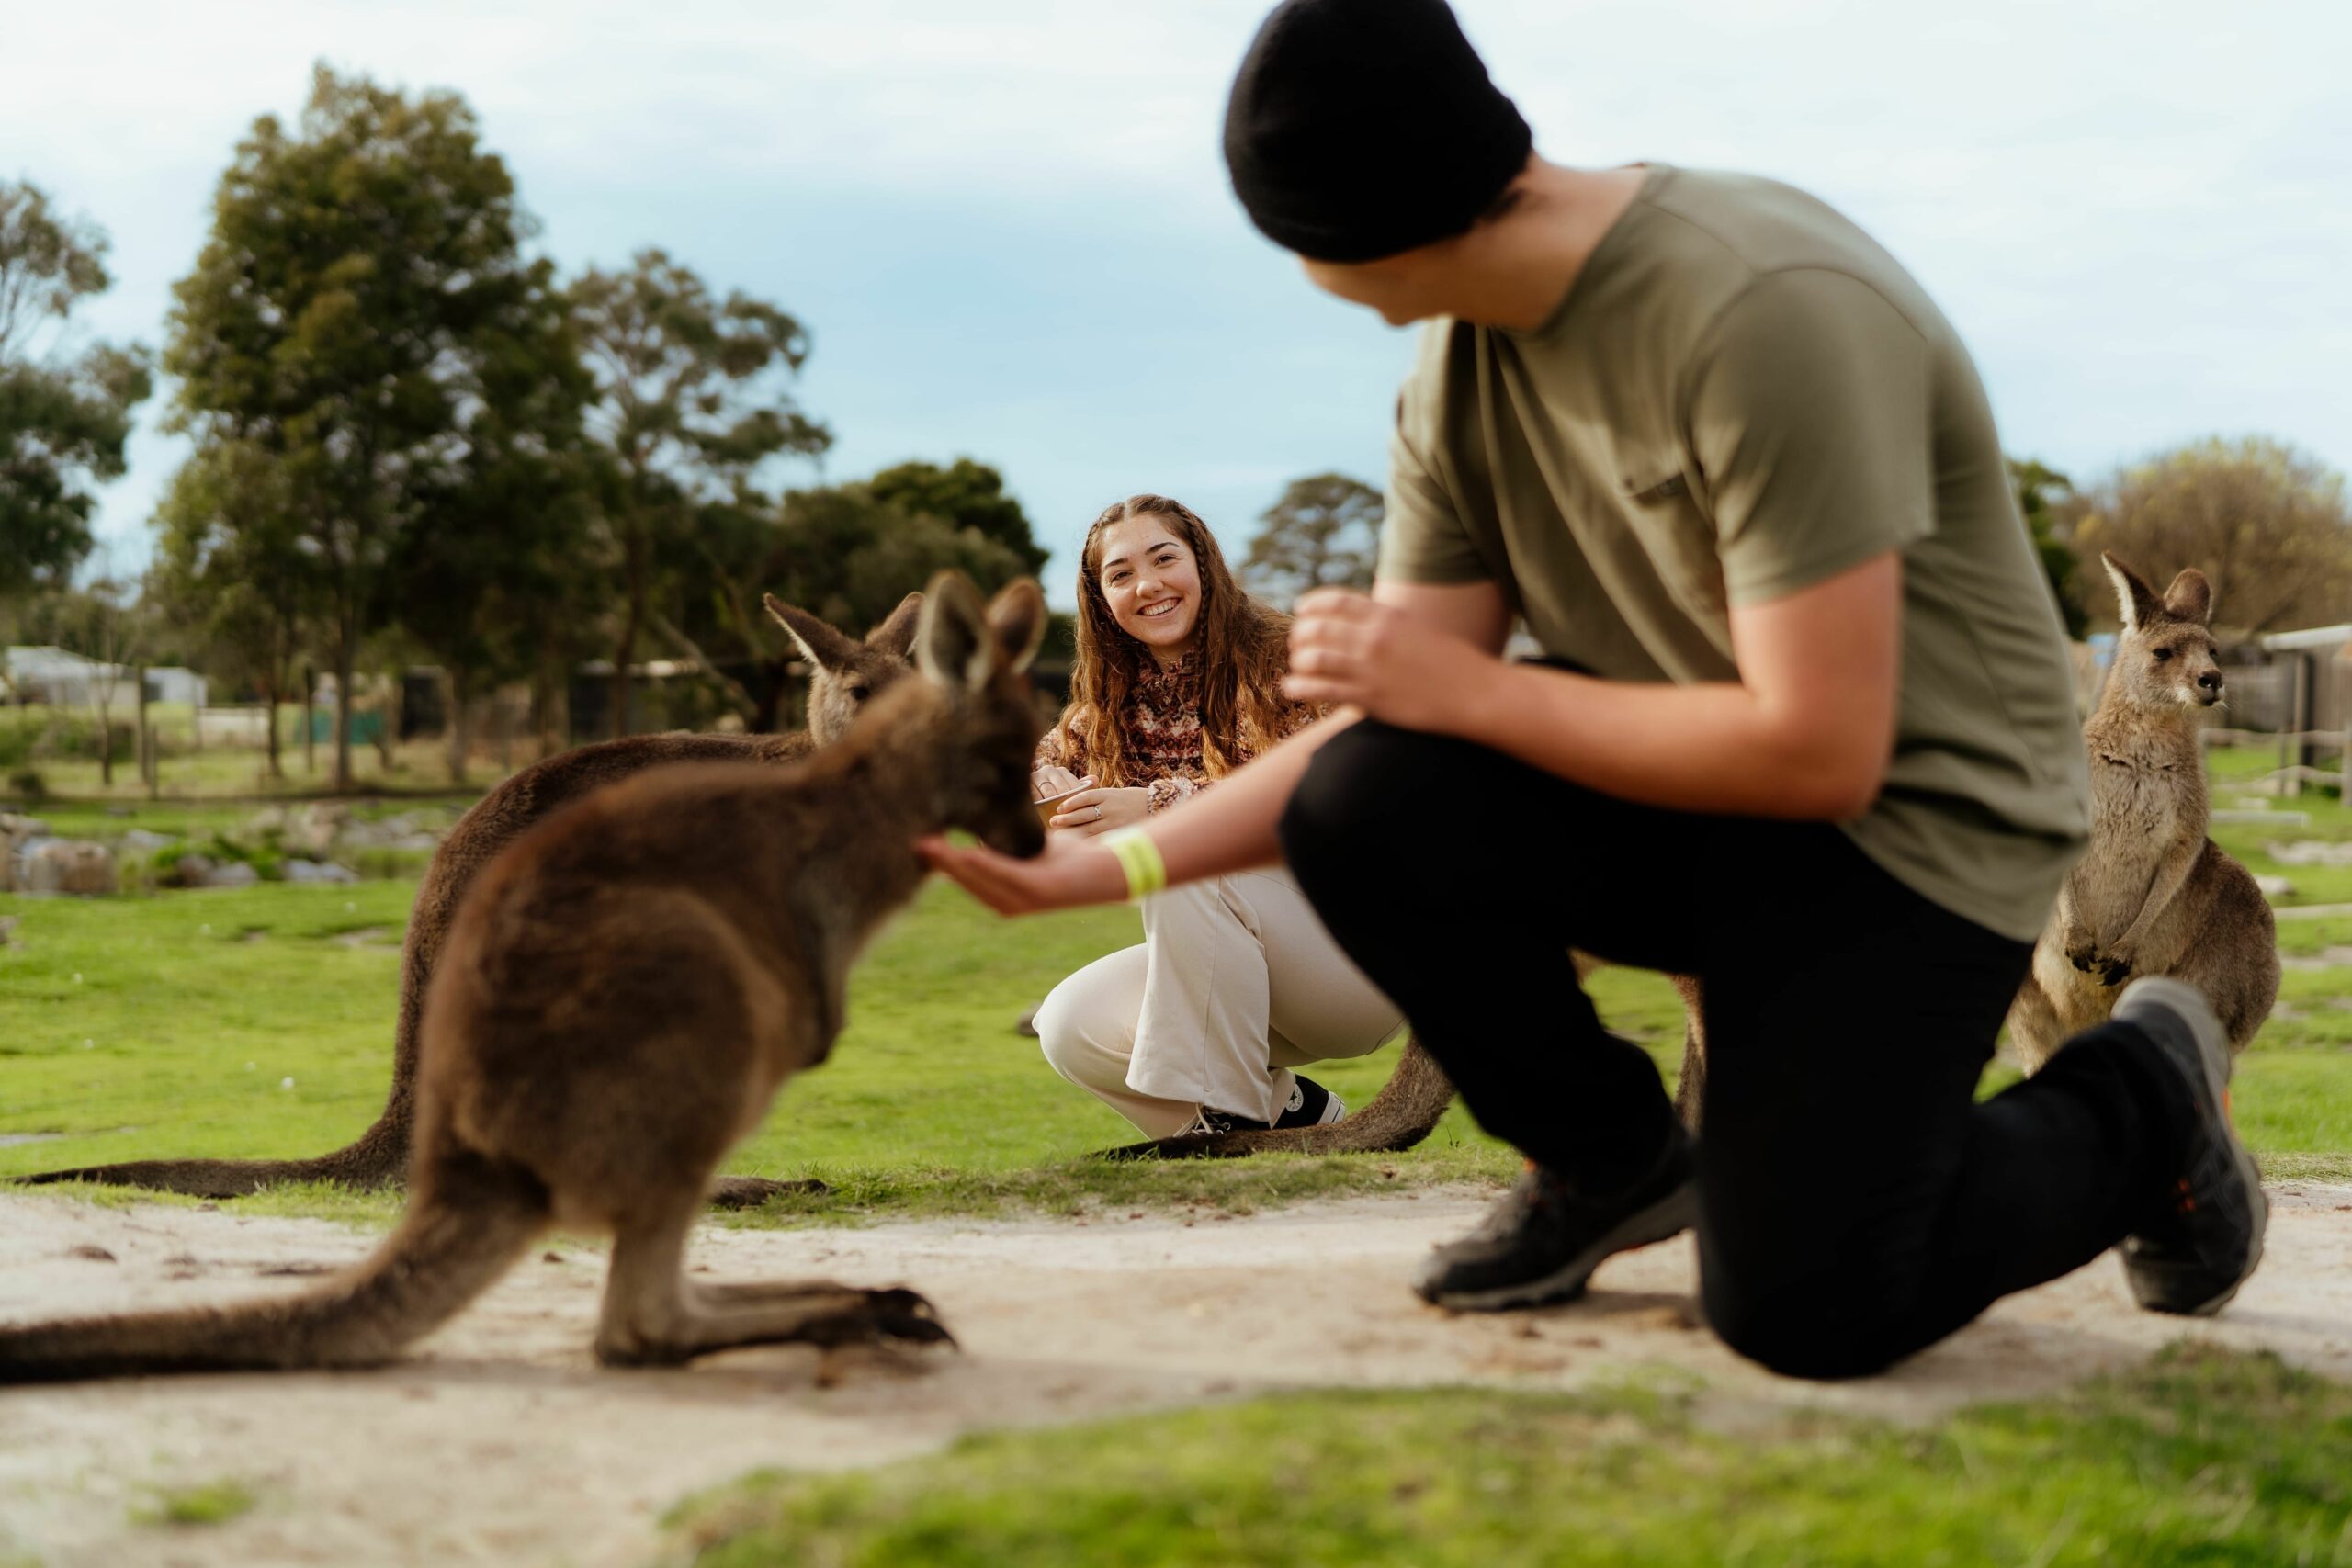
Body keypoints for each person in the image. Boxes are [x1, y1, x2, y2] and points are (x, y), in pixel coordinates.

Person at [923, 0, 2265, 1380]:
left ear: (1370, 218)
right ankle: (1608, 1157)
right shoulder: (1454, 376)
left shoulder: (1763, 311)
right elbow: (1396, 719)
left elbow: (1818, 748)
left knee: (1811, 1299)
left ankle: (2143, 1098)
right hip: (1688, 790)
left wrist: (1461, 689)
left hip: (1918, 828)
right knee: (1369, 794)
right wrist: (1110, 865)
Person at [1027, 492, 1405, 1139]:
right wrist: (1035, 786)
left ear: (1202, 563)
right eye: (1120, 575)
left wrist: (1151, 804)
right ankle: (1290, 1118)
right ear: (1101, 600)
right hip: (1241, 979)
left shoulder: (1291, 659)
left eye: (1163, 558)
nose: (1147, 585)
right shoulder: (1108, 707)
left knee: (1179, 852)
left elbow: (1326, 800)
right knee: (1070, 1023)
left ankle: (1228, 1118)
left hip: (1360, 955)